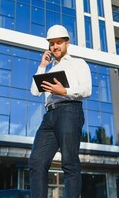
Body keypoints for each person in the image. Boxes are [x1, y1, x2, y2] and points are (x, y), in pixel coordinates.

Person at [28, 25, 92, 198]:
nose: (55, 46)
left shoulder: (78, 63)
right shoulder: (49, 69)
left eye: (58, 43)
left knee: (69, 162)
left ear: (66, 43)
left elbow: (87, 89)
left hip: (69, 110)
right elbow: (34, 91)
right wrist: (42, 66)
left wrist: (63, 91)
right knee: (36, 161)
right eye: (52, 43)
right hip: (49, 116)